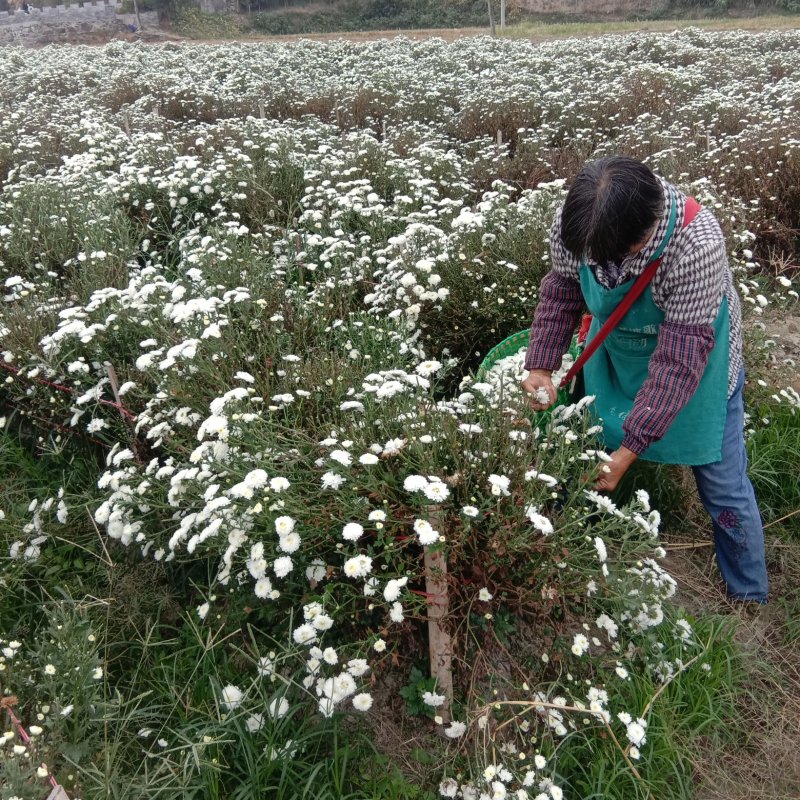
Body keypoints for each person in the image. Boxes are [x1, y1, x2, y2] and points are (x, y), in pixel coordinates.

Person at [522, 156, 769, 603]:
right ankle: (557, 543)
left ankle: (748, 593)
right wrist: (541, 363)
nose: (604, 267)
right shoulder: (576, 223)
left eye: (620, 256)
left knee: (722, 481)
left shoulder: (697, 243)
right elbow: (562, 291)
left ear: (646, 231)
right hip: (618, 347)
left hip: (699, 358)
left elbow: (678, 361)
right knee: (587, 440)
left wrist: (631, 449)